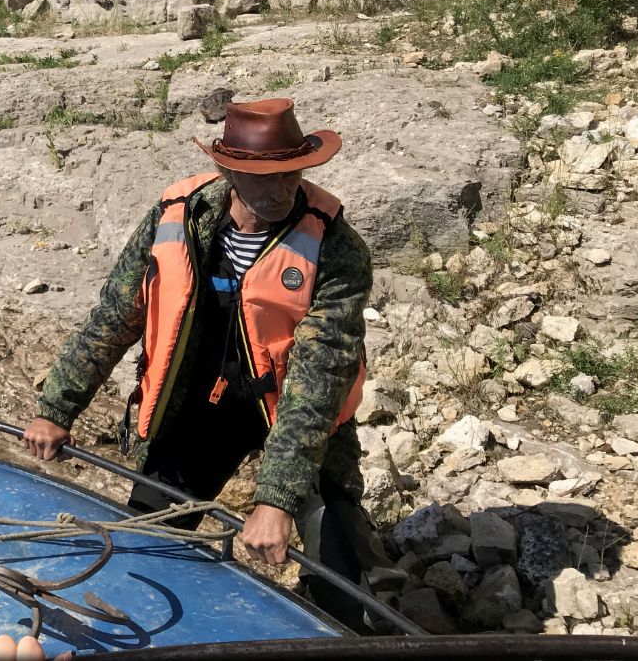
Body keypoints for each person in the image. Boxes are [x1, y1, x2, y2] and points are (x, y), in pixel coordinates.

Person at [22, 97, 402, 631]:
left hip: (295, 419)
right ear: (226, 172)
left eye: (290, 174)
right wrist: (56, 409)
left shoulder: (336, 249)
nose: (279, 190)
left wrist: (275, 501)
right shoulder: (175, 218)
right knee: (144, 546)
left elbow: (317, 384)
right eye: (261, 178)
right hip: (201, 408)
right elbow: (114, 319)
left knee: (348, 586)